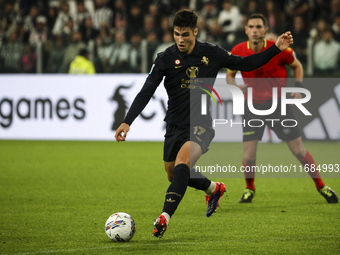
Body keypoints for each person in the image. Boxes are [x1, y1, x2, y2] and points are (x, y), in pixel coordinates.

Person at [115, 10, 294, 239]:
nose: (180, 39)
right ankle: (213, 188)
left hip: (200, 124)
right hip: (173, 125)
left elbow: (246, 64)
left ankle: (164, 217)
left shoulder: (212, 53)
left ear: (195, 32)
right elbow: (146, 90)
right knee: (172, 174)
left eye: (186, 34)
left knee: (182, 164)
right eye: (177, 34)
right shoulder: (164, 59)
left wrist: (276, 48)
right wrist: (127, 121)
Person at [226, 13, 338, 204]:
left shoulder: (278, 48)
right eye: (251, 27)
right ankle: (249, 189)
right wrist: (235, 86)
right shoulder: (237, 50)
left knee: (299, 151)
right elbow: (230, 75)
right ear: (245, 30)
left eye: (259, 27)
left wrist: (299, 87)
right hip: (252, 107)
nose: (255, 30)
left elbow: (298, 66)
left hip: (278, 106)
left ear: (266, 30)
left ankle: (321, 186)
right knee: (249, 155)